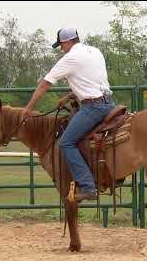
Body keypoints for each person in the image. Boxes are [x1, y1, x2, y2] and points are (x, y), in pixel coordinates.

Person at [24, 27, 115, 201]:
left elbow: (44, 84)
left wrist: (28, 108)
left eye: (61, 45)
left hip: (93, 108)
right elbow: (91, 82)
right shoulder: (95, 51)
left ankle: (88, 187)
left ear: (67, 42)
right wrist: (68, 96)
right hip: (109, 103)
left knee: (65, 143)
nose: (61, 49)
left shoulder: (70, 58)